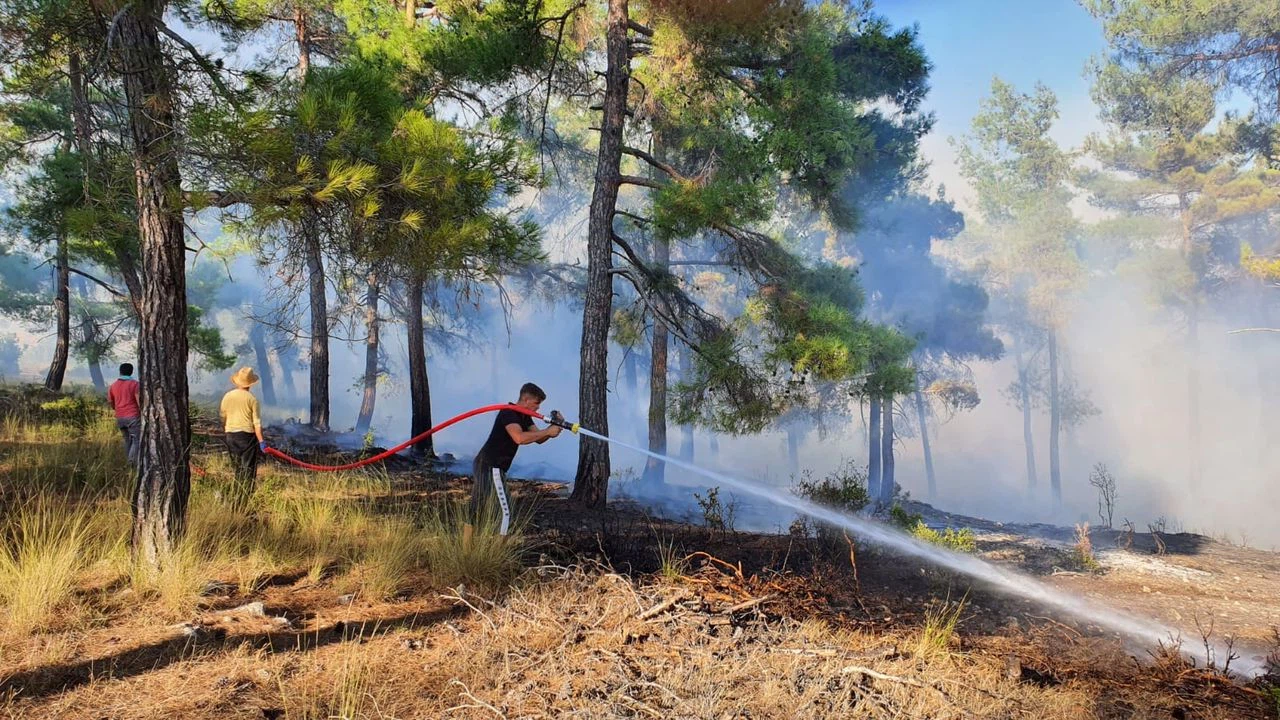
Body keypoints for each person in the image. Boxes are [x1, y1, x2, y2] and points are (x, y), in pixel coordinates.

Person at [466, 382, 562, 546]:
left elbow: (538, 439)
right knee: (506, 512)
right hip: (491, 466)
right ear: (526, 399)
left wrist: (555, 427)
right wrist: (547, 431)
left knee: (478, 507)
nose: (538, 408)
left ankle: (467, 553)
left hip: (488, 465)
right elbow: (519, 438)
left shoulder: (525, 416)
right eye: (536, 403)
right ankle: (497, 554)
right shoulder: (509, 413)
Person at [220, 367, 267, 496]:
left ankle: (235, 496)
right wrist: (262, 442)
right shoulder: (252, 399)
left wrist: (227, 431)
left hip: (230, 436)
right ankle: (244, 498)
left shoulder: (227, 396)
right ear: (250, 384)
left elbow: (223, 417)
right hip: (247, 437)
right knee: (248, 469)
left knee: (237, 468)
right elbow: (256, 424)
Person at [107, 363, 141, 465]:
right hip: (133, 416)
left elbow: (110, 401)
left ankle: (129, 461)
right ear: (131, 371)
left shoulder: (113, 386)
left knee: (127, 440)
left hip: (120, 417)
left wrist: (115, 408)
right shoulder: (135, 384)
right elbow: (138, 400)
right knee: (136, 440)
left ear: (120, 371)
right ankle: (131, 463)